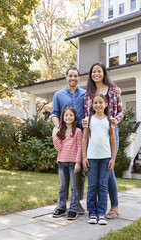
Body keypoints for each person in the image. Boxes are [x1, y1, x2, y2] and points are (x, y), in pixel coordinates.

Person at [83, 62, 124, 219]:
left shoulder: (113, 90)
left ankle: (114, 207)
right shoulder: (88, 94)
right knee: (95, 175)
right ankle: (95, 208)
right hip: (93, 133)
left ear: (103, 73)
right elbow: (86, 113)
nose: (96, 74)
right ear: (91, 75)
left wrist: (115, 120)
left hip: (110, 131)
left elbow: (121, 111)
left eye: (99, 71)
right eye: (93, 72)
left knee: (109, 168)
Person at [51, 67, 86, 214]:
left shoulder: (85, 94)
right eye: (70, 76)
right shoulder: (58, 95)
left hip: (82, 136)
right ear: (66, 77)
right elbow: (54, 114)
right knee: (64, 178)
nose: (73, 78)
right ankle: (62, 204)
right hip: (65, 138)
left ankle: (76, 203)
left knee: (80, 172)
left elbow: (99, 102)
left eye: (75, 76)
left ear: (79, 78)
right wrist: (59, 129)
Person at [82, 94, 116, 225]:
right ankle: (92, 213)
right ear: (92, 105)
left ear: (106, 104)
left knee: (102, 186)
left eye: (101, 102)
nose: (98, 105)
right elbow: (85, 139)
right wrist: (84, 157)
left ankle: (101, 213)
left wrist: (113, 158)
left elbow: (113, 140)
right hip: (92, 158)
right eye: (95, 102)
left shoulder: (110, 121)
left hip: (105, 158)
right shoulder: (88, 120)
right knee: (92, 186)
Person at [52, 106, 82, 220]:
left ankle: (73, 209)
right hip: (62, 162)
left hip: (73, 163)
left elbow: (80, 148)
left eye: (71, 115)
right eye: (66, 115)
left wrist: (78, 162)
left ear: (74, 117)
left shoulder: (78, 131)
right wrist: (54, 135)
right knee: (62, 187)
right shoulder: (61, 131)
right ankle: (61, 207)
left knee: (74, 187)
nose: (68, 117)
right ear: (63, 118)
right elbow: (59, 148)